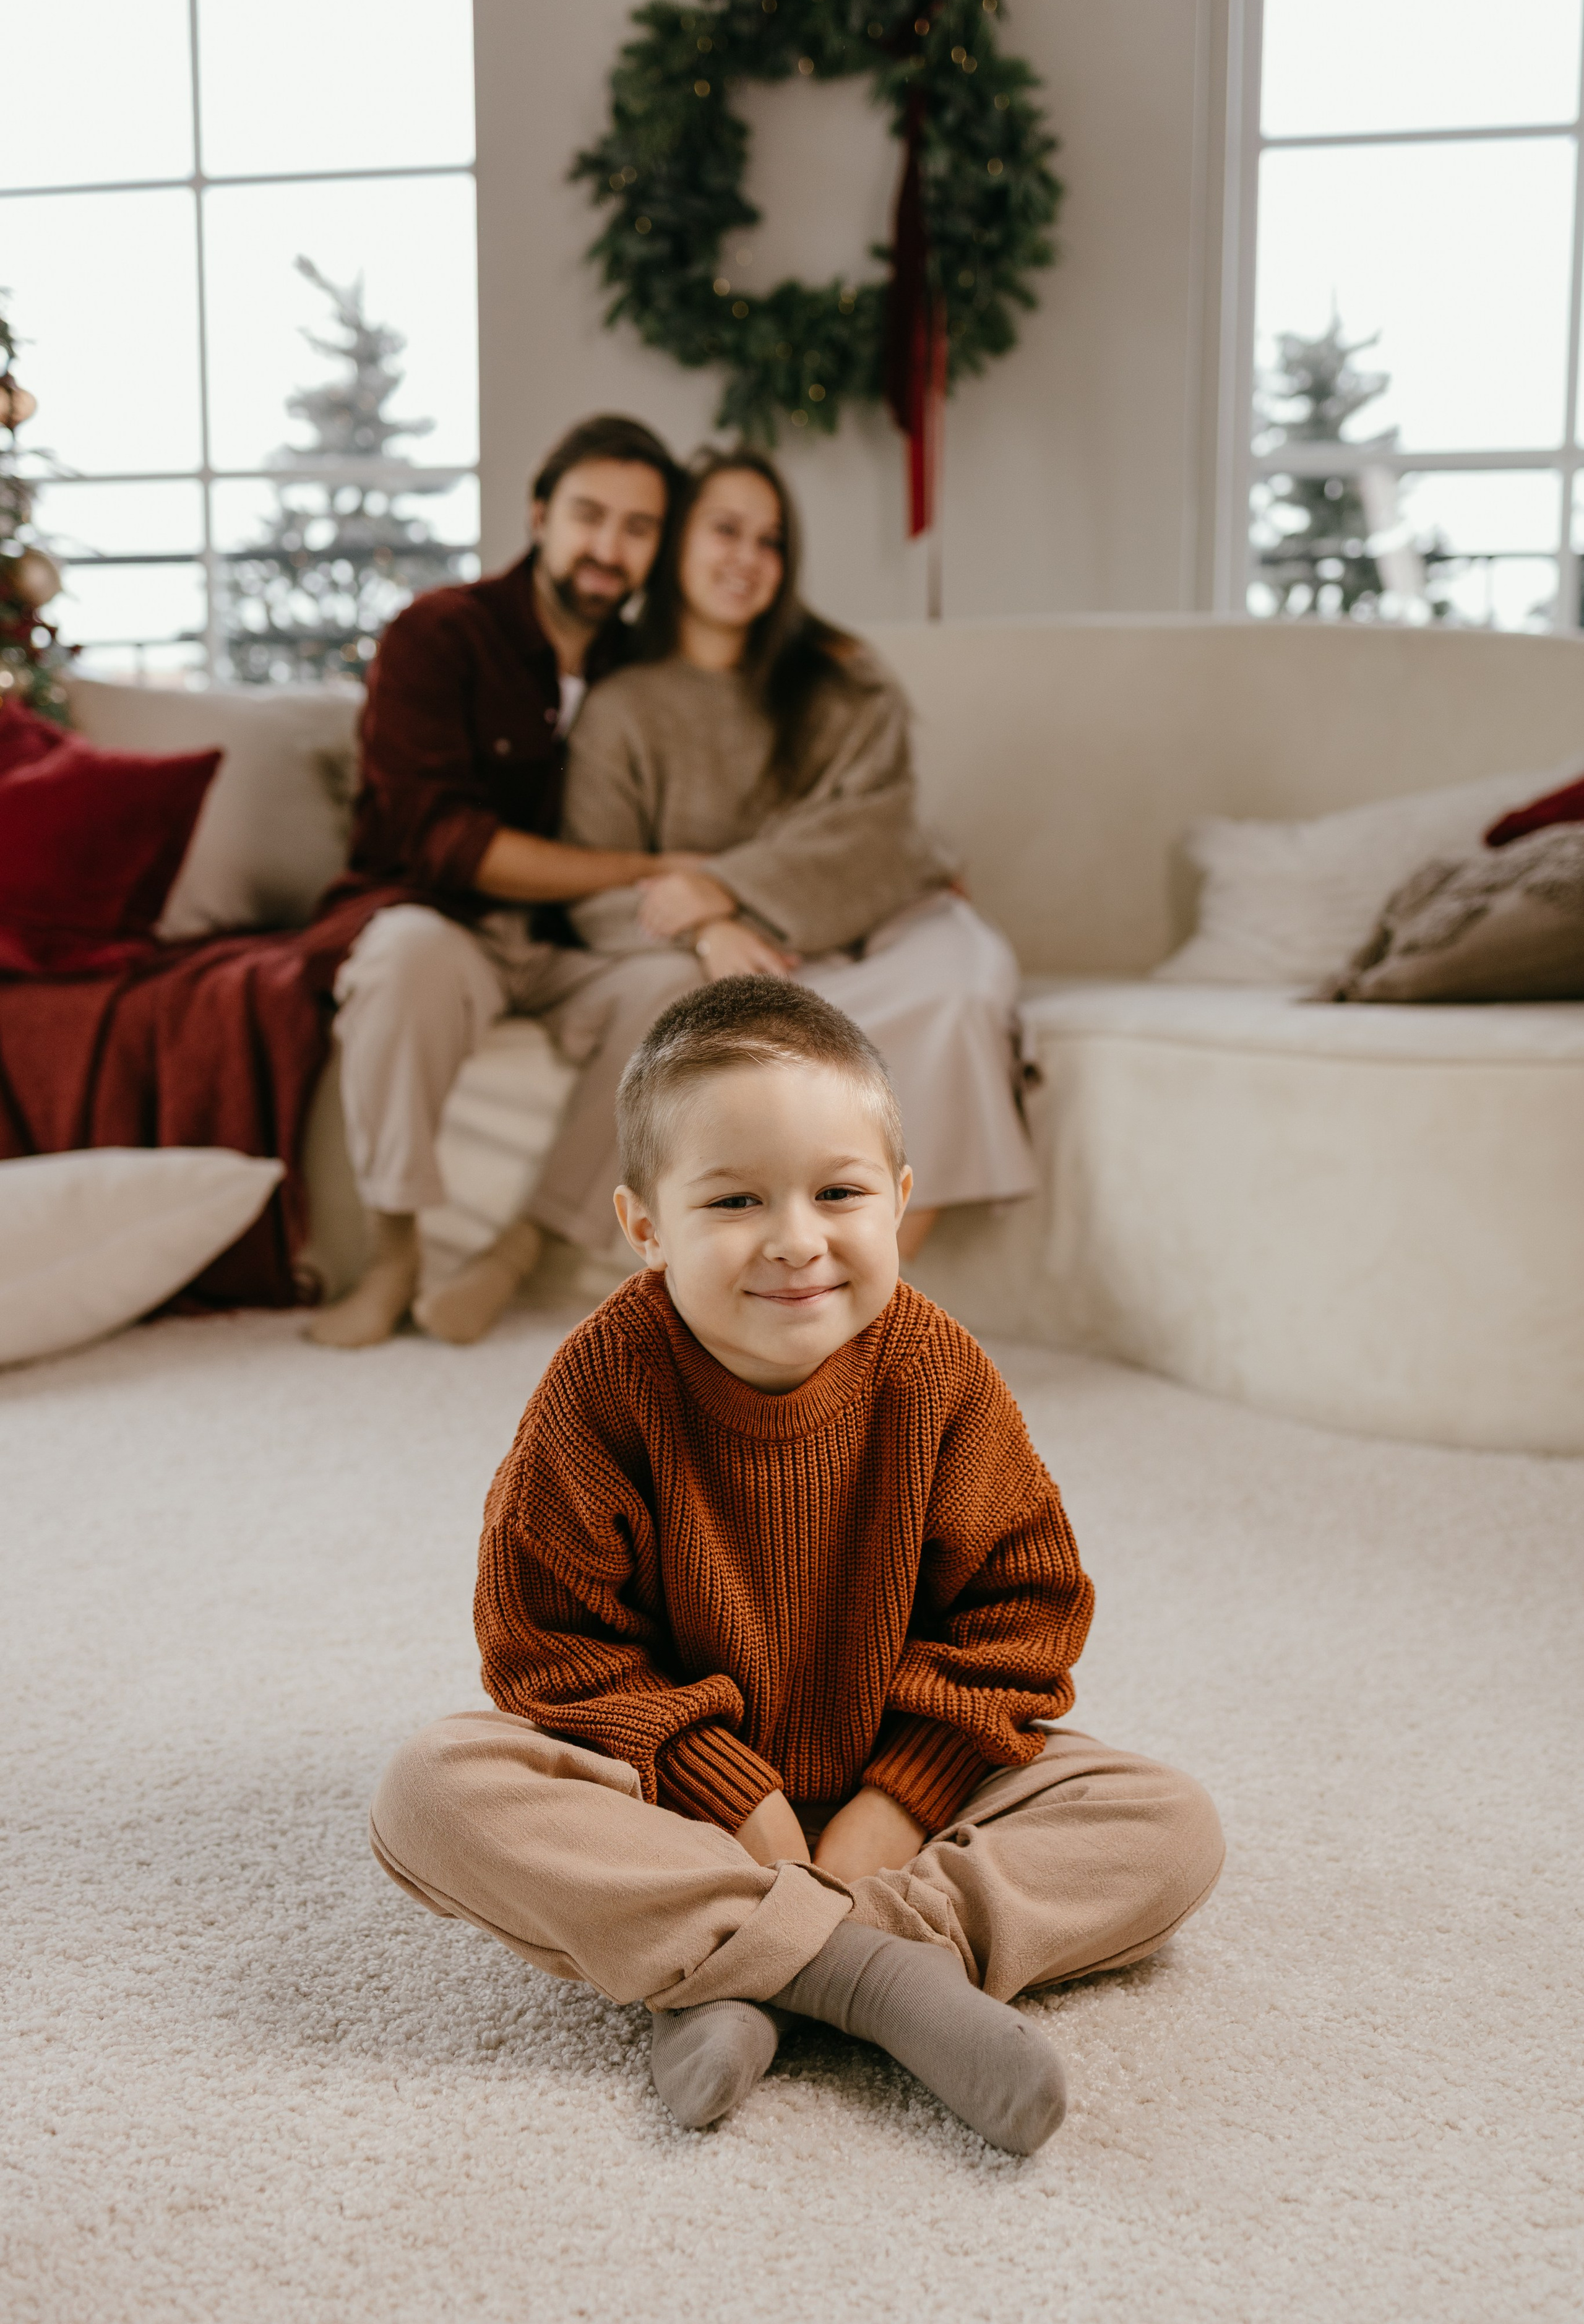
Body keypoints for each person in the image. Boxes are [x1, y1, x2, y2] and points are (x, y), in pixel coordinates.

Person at [369, 979, 1224, 2151]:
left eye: (840, 1192)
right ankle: (880, 1981)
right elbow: (551, 1646)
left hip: (902, 1789)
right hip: (674, 1804)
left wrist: (895, 1801)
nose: (795, 1239)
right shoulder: (603, 1384)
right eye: (733, 1199)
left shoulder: (940, 1375)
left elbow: (1022, 1615)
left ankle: (735, 1973)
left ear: (901, 1202)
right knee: (435, 1789)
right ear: (645, 1226)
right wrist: (738, 1797)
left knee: (1165, 1824)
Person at [558, 446, 1038, 1262]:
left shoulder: (842, 675)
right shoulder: (622, 708)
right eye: (726, 531)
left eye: (770, 540)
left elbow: (879, 828)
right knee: (794, 1050)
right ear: (677, 542)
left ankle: (864, 1320)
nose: (748, 558)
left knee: (960, 999)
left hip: (901, 920)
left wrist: (722, 884)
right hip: (771, 957)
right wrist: (709, 930)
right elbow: (602, 887)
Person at [309, 414, 710, 1351]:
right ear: (539, 512)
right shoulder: (439, 634)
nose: (608, 548)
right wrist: (650, 869)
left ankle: (515, 1253)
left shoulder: (652, 671)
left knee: (682, 993)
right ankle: (394, 1252)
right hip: (448, 919)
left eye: (639, 528)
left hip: (581, 944)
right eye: (589, 516)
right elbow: (447, 843)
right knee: (402, 961)